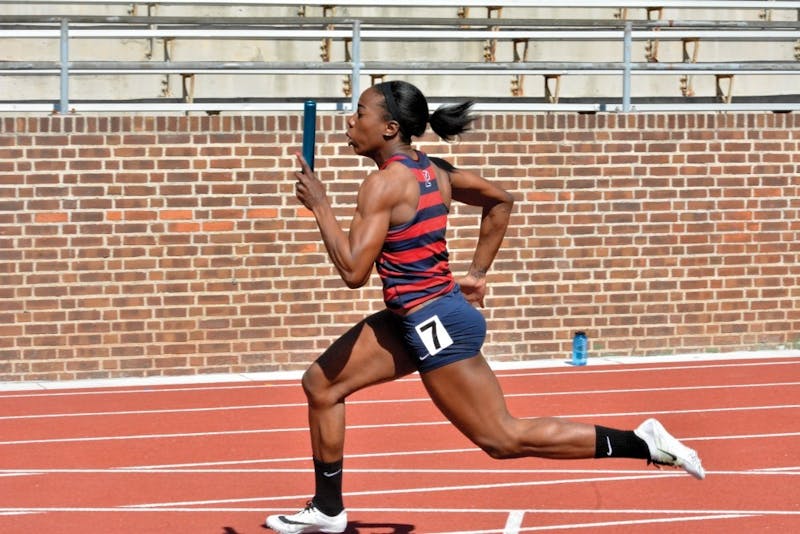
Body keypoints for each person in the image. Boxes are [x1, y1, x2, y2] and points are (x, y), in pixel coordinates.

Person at [266, 81, 704, 534]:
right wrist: (476, 274)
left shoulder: (383, 184)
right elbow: (500, 201)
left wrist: (320, 207)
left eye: (360, 114)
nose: (350, 123)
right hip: (413, 315)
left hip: (436, 322)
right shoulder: (435, 171)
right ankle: (327, 508)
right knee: (321, 385)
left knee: (501, 438)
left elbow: (354, 272)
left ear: (390, 128)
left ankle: (642, 442)